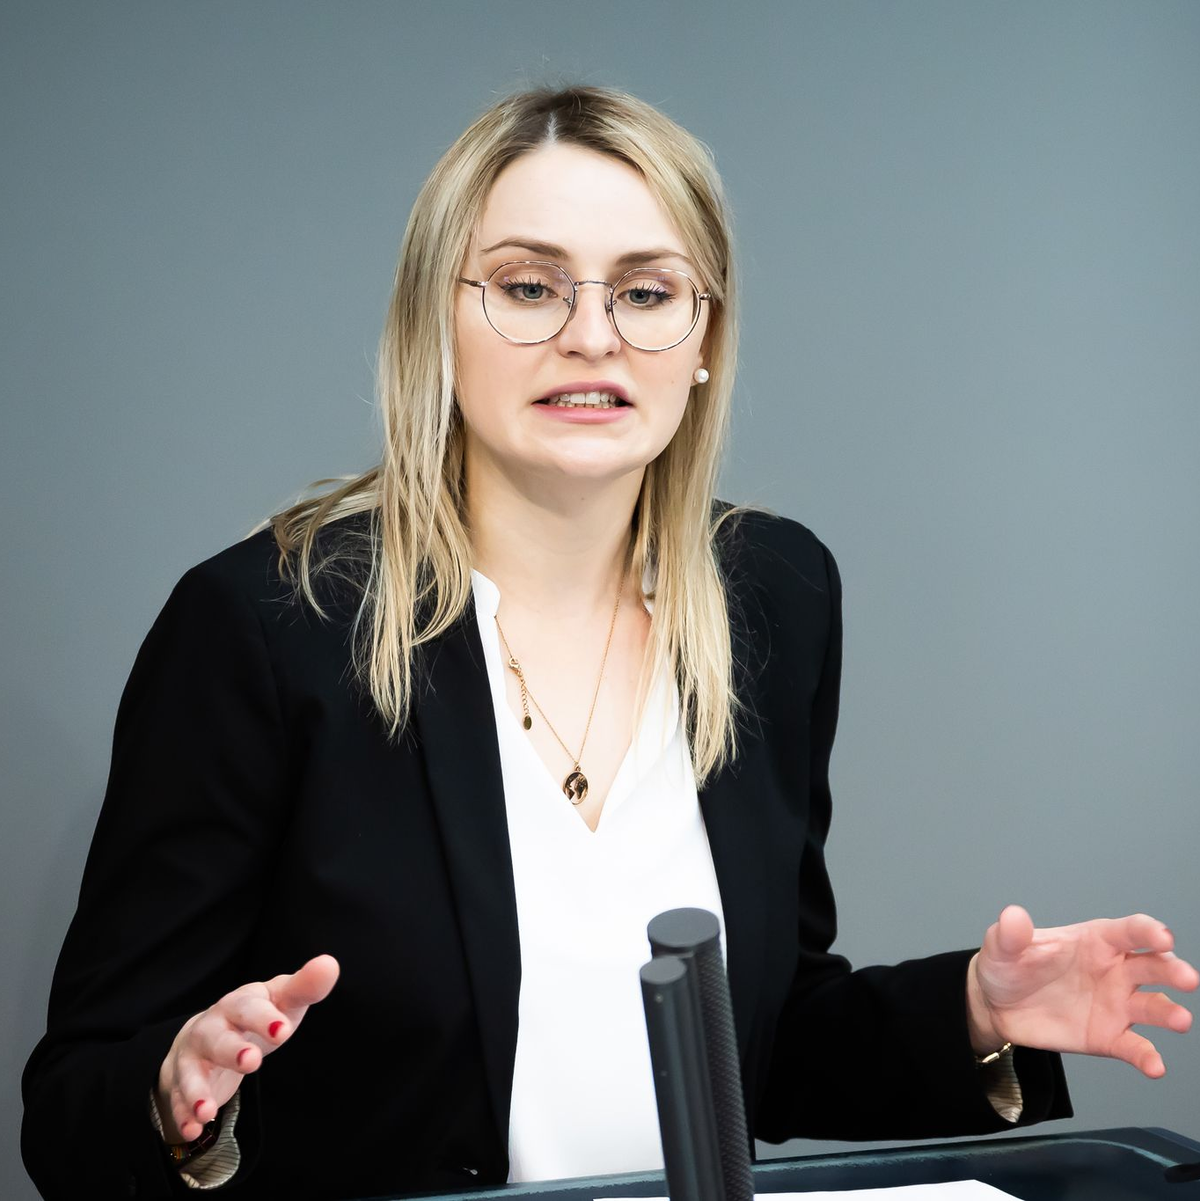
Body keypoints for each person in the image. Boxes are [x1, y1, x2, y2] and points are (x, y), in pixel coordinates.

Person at [21, 85, 1196, 1201]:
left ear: (702, 335)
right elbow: (70, 1108)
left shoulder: (773, 595)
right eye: (530, 287)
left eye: (644, 291)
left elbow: (757, 1051)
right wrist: (183, 1093)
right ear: (440, 319)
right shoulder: (268, 628)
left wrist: (976, 1013)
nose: (592, 335)